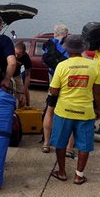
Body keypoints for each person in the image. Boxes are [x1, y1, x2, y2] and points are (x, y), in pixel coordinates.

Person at [48, 34, 100, 185]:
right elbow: (97, 91)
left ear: (67, 50)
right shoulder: (93, 65)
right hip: (85, 111)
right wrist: (99, 109)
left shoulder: (62, 66)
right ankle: (79, 175)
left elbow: (53, 90)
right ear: (82, 49)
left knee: (60, 142)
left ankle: (62, 172)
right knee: (84, 145)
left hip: (64, 111)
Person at [42, 24, 74, 155]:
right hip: (67, 84)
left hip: (53, 81)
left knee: (50, 112)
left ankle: (46, 143)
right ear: (66, 33)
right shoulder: (68, 45)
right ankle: (69, 148)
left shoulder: (49, 44)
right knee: (71, 114)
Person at [13, 41, 32, 108]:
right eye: (15, 53)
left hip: (17, 76)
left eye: (19, 54)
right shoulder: (9, 53)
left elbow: (27, 75)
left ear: (23, 53)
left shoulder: (26, 58)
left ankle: (19, 113)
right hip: (8, 75)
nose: (16, 56)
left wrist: (24, 91)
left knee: (22, 99)